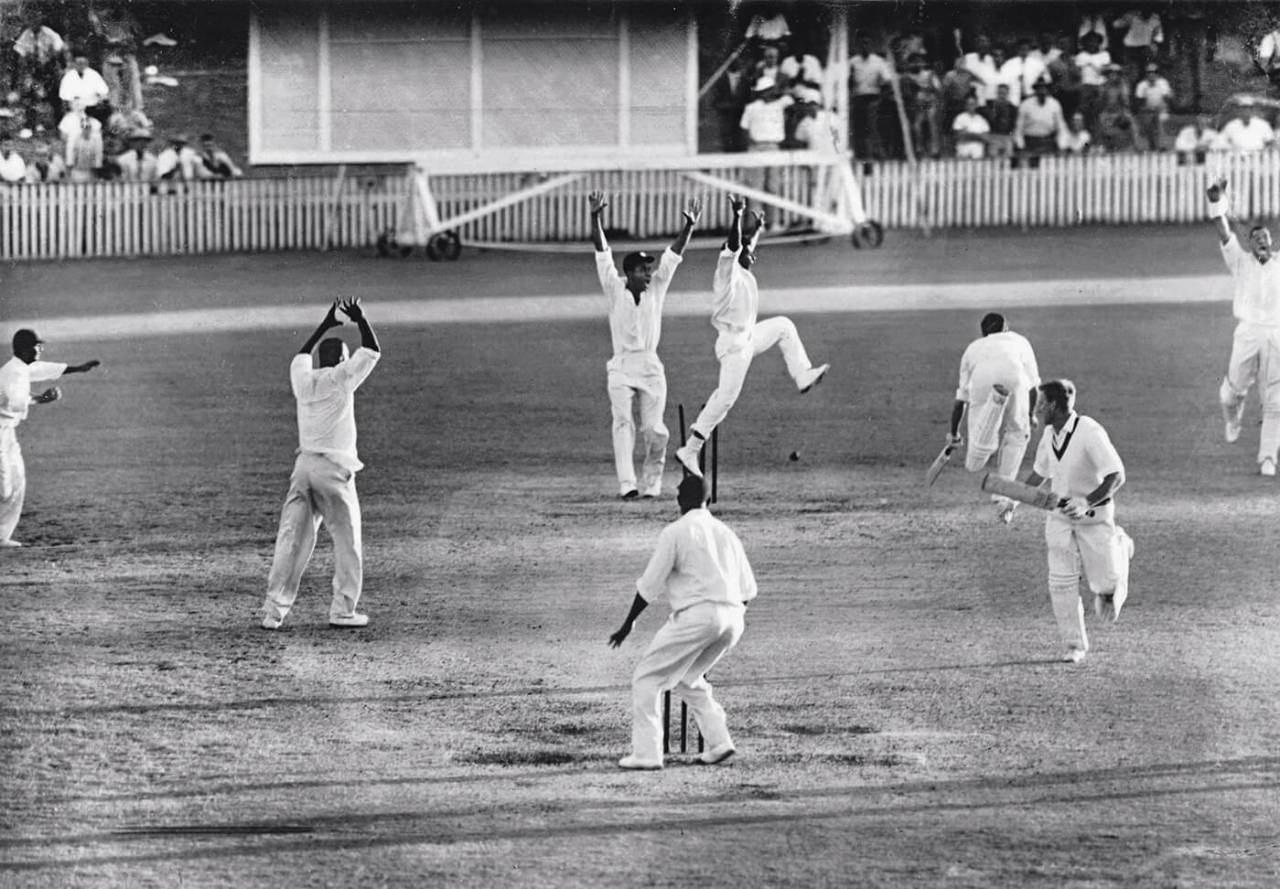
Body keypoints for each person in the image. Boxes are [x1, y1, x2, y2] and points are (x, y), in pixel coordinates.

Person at [673, 194, 829, 479]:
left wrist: (756, 230)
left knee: (783, 325)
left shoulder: (743, 268)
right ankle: (690, 449)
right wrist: (736, 215)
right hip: (733, 345)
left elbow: (746, 246)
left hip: (747, 337)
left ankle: (803, 374)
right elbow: (734, 246)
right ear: (735, 256)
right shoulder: (727, 273)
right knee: (725, 399)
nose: (753, 256)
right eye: (748, 253)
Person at [608, 475, 757, 770]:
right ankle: (720, 742)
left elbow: (650, 584)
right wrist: (726, 616)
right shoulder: (726, 532)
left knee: (646, 678)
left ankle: (647, 754)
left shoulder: (675, 532)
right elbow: (748, 591)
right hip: (733, 618)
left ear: (679, 501)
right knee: (687, 678)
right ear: (709, 500)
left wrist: (628, 624)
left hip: (698, 615)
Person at [260, 298, 381, 630]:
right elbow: (372, 350)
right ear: (342, 359)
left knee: (291, 541)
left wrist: (327, 322)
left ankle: (274, 612)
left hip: (303, 469)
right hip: (334, 473)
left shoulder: (303, 380)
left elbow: (300, 355)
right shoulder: (343, 377)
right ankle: (342, 610)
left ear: (319, 359)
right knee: (348, 542)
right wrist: (360, 318)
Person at [588, 190, 701, 500]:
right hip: (622, 365)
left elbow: (673, 258)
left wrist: (689, 227)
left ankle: (652, 483)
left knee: (654, 430)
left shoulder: (657, 288)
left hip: (650, 367)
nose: (648, 273)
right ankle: (627, 484)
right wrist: (596, 217)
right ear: (629, 274)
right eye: (642, 270)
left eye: (649, 269)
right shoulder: (614, 287)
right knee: (622, 423)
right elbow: (602, 252)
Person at [1021, 380, 1133, 664]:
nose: (1036, 409)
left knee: (1105, 584)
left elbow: (1116, 475)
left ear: (1054, 406)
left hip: (1094, 519)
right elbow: (1039, 473)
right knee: (1060, 582)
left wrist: (1085, 503)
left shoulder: (1089, 432)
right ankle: (1074, 644)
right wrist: (1010, 499)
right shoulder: (1049, 434)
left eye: (1040, 404)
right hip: (1059, 519)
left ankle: (1120, 546)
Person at [0, 329, 101, 547]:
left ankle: (1, 536)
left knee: (18, 480)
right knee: (4, 487)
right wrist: (41, 399)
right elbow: (14, 403)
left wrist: (78, 368)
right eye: (37, 346)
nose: (40, 349)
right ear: (25, 349)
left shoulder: (21, 366)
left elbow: (41, 369)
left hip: (7, 433)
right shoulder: (12, 374)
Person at [1206, 178, 1280, 475]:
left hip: (1277, 334)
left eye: (1266, 237)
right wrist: (1216, 201)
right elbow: (1224, 231)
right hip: (1247, 333)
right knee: (1231, 394)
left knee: (1275, 398)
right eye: (1256, 238)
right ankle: (1233, 418)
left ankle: (1268, 458)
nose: (1262, 241)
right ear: (1250, 243)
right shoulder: (1240, 261)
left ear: (1271, 241)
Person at [946, 312, 1041, 523]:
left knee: (975, 459)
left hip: (982, 380)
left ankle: (990, 420)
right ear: (1007, 328)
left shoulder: (973, 348)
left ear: (984, 333)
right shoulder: (1020, 341)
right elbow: (1034, 387)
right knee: (1018, 434)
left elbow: (961, 399)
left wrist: (953, 433)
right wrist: (1030, 415)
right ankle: (1003, 497)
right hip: (1015, 378)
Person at [1133, 63, 1172, 152]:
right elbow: (1139, 102)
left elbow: (1167, 99)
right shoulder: (1142, 85)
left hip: (1161, 108)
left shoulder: (1163, 83)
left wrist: (1160, 107)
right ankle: (1152, 146)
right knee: (1148, 123)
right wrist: (1147, 109)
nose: (1152, 74)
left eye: (1154, 72)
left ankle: (1162, 146)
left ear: (1157, 73)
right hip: (1147, 110)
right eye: (1149, 72)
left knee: (1160, 121)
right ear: (1146, 74)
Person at [951, 93, 991, 159]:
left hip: (978, 156)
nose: (970, 106)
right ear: (965, 105)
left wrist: (967, 134)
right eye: (968, 104)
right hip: (963, 155)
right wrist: (979, 136)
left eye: (972, 104)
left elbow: (986, 138)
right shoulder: (960, 118)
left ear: (976, 105)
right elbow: (959, 136)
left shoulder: (982, 120)